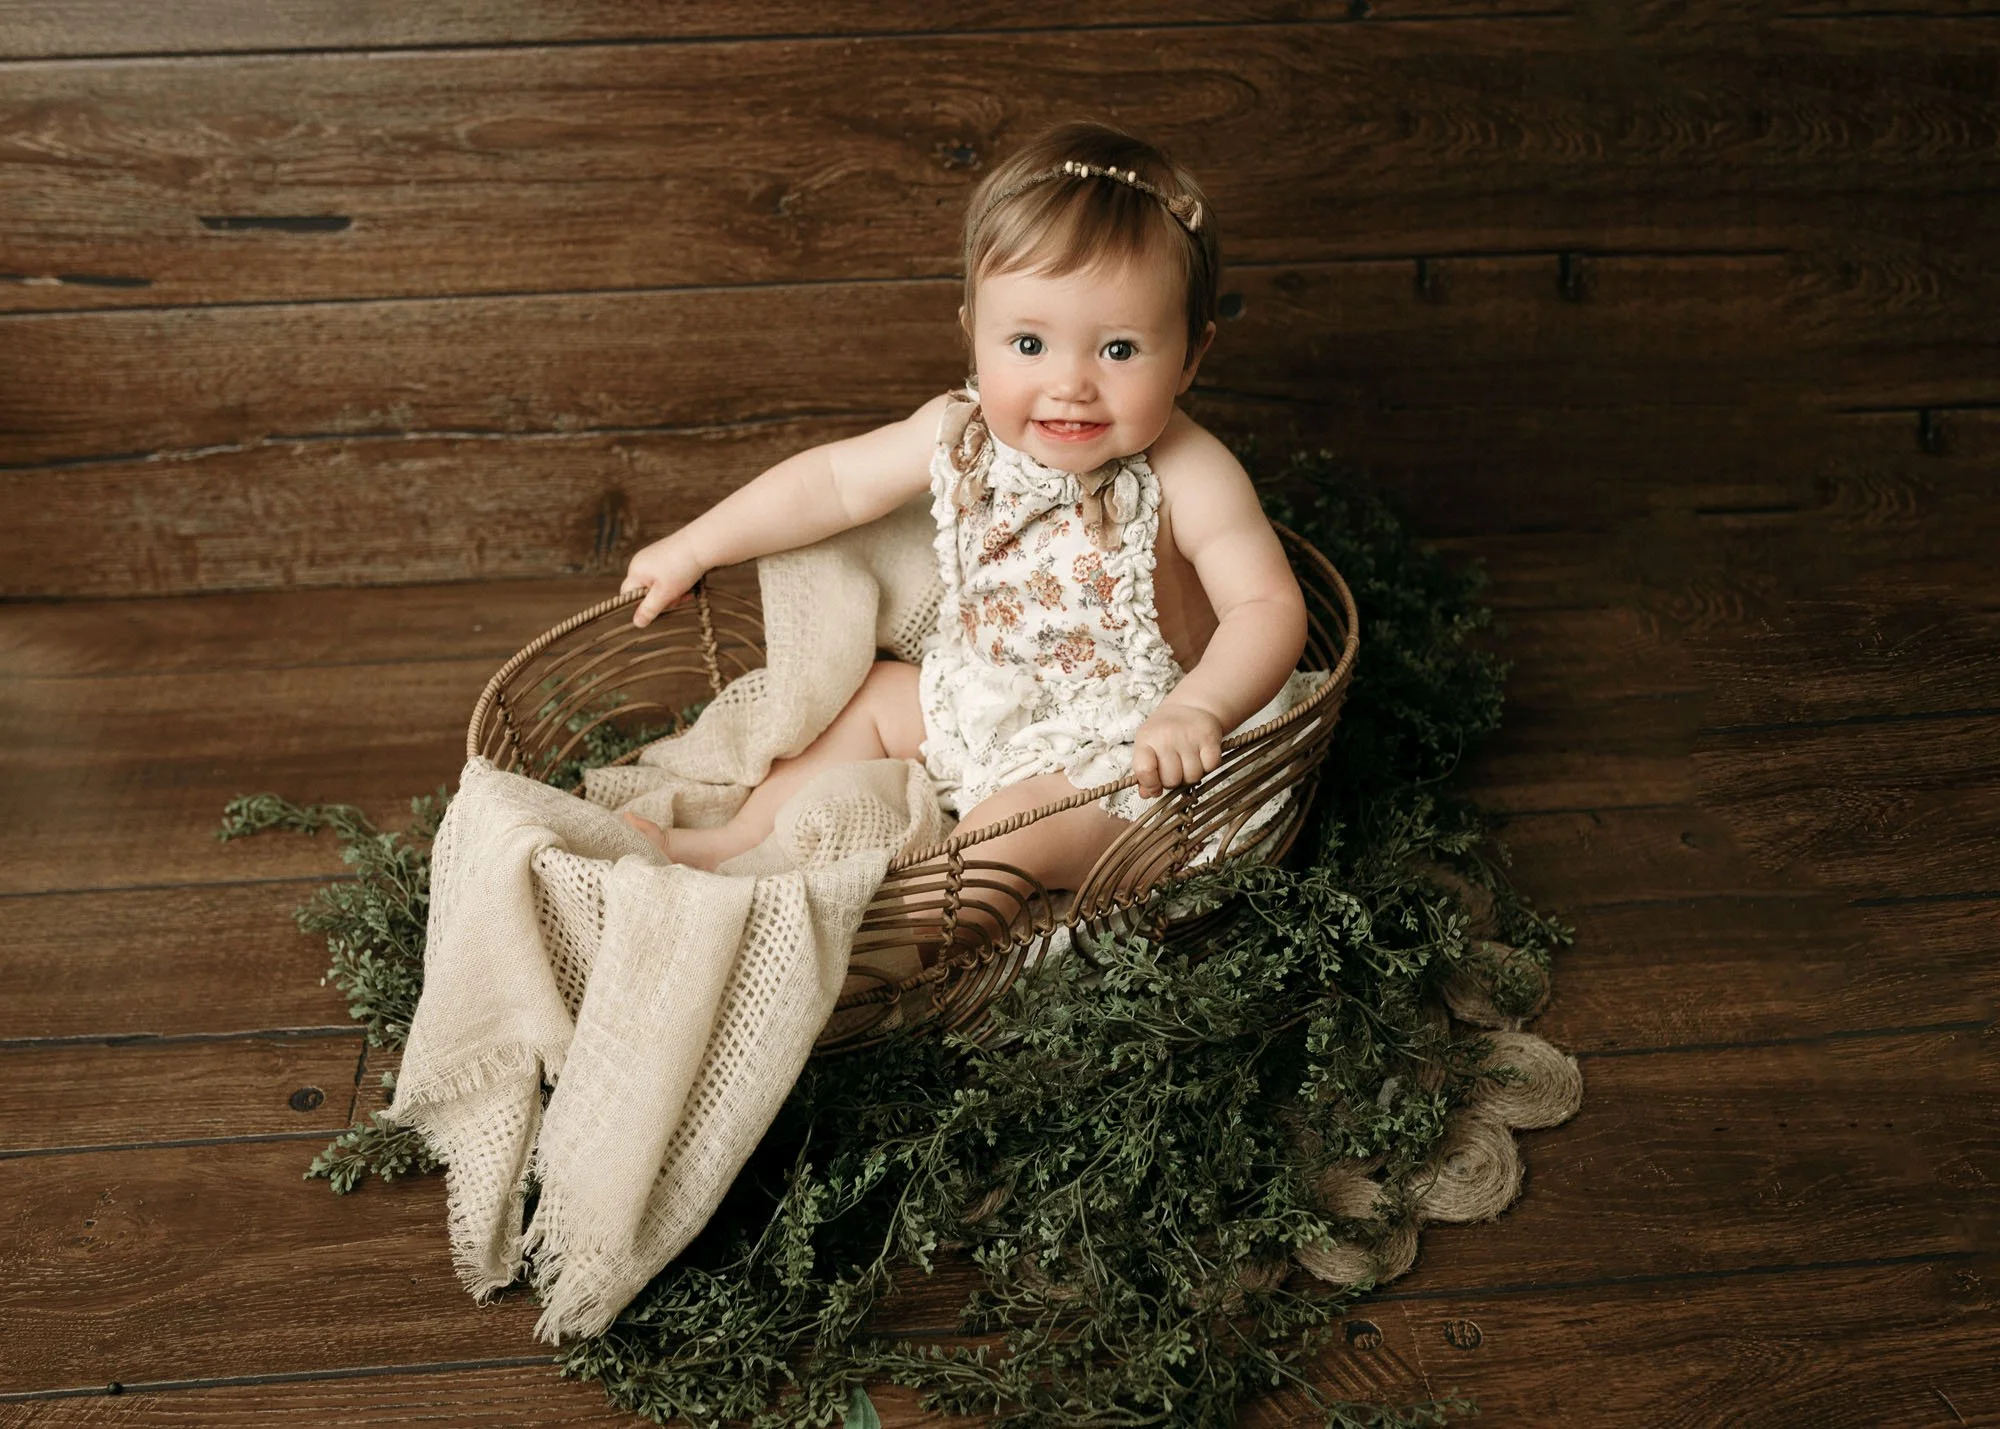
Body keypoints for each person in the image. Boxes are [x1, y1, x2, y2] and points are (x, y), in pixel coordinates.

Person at [616, 119, 1309, 930]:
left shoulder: (1192, 473)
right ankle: (735, 846)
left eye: (1119, 350)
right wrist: (695, 544)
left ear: (1191, 354)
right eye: (1029, 343)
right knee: (868, 699)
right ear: (973, 337)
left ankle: (905, 947)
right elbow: (831, 483)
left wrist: (1201, 710)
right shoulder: (961, 430)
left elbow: (1266, 606)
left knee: (1011, 832)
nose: (1070, 384)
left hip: (1129, 756)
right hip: (989, 700)